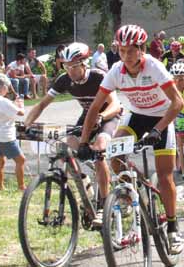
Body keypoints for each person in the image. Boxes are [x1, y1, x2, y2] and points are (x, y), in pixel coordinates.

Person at [80, 25, 184, 254]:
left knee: (166, 176)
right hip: (136, 116)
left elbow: (177, 103)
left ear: (142, 49)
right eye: (121, 50)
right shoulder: (116, 70)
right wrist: (82, 141)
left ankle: (173, 227)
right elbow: (95, 107)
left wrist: (158, 129)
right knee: (114, 154)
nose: (126, 56)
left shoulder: (154, 67)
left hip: (162, 118)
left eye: (131, 51)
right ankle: (131, 189)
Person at [25, 42, 122, 220]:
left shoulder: (99, 76)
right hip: (87, 115)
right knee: (69, 144)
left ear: (84, 63)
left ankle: (104, 203)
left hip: (108, 115)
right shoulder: (64, 80)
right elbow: (42, 104)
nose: (70, 70)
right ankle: (84, 183)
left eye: (74, 66)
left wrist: (101, 117)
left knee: (99, 148)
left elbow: (116, 105)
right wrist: (27, 124)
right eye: (66, 66)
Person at [0, 74, 25, 191]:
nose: (8, 90)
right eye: (7, 87)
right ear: (3, 87)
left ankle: (0, 187)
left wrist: (14, 104)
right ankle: (21, 186)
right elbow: (21, 113)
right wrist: (21, 104)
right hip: (6, 136)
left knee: (0, 162)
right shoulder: (3, 101)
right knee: (21, 160)